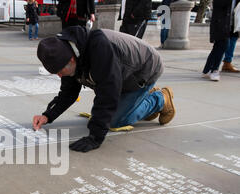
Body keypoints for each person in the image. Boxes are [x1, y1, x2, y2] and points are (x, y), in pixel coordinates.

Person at [33, 26, 176, 153]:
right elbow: (68, 92)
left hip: (143, 71)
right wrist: (48, 115)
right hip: (120, 74)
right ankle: (141, 101)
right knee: (110, 113)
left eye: (59, 71)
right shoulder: (67, 51)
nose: (59, 75)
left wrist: (95, 137)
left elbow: (108, 94)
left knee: (115, 121)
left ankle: (160, 99)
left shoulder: (99, 49)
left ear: (71, 59)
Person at [202, 0, 235, 81]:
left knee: (217, 48)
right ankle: (214, 70)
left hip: (228, 25)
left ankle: (207, 70)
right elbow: (219, 4)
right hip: (220, 25)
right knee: (223, 46)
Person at [221, 0, 240, 72]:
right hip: (226, 21)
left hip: (234, 21)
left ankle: (227, 62)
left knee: (233, 40)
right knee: (224, 42)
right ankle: (223, 63)